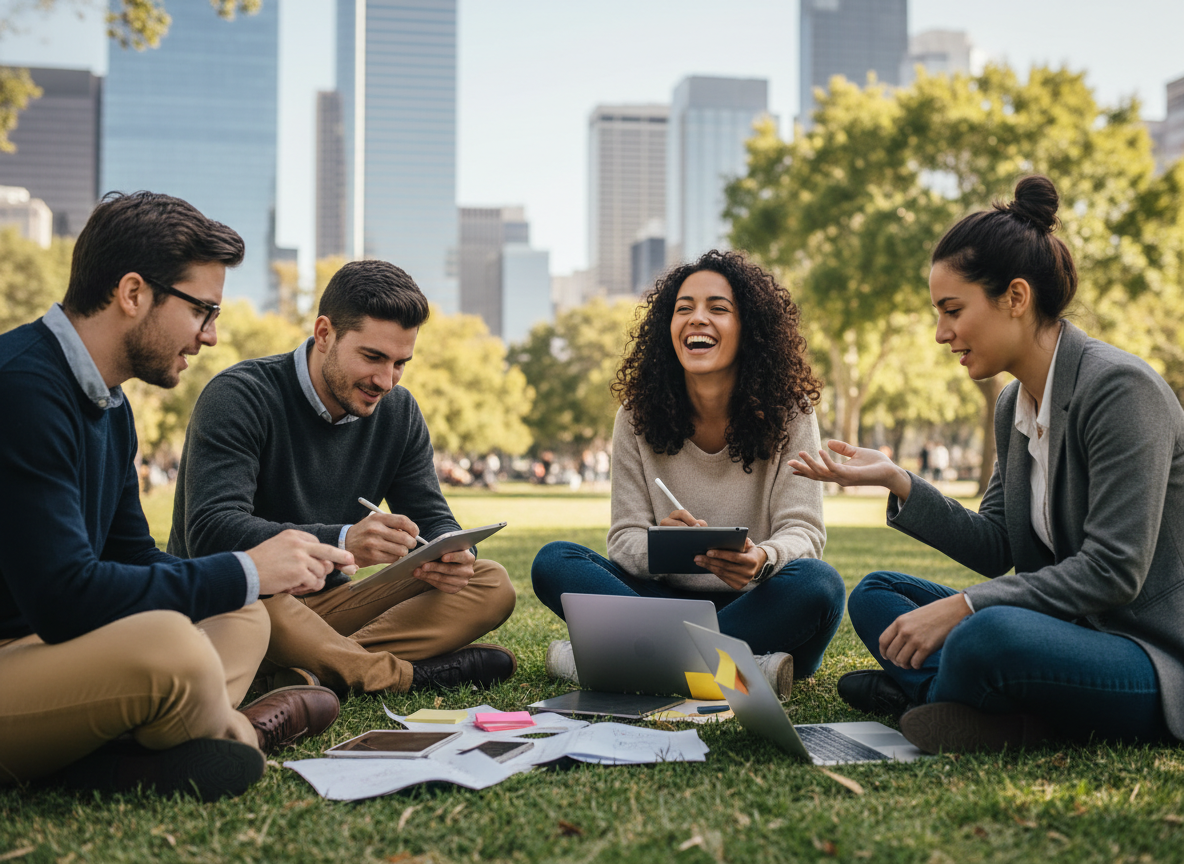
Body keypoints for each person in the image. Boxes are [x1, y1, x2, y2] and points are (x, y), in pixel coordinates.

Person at [790, 175, 1184, 753]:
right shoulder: (1013, 403)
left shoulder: (1120, 391)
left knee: (987, 633)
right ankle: (967, 704)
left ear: (1016, 298)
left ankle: (936, 696)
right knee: (878, 593)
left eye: (952, 310)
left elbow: (1113, 571)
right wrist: (897, 479)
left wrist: (968, 605)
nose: (940, 333)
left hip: (1149, 654)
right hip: (1061, 631)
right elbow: (997, 545)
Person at [0, 192, 351, 800]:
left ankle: (119, 755)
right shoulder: (21, 388)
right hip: (22, 653)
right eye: (201, 310)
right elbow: (63, 597)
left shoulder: (110, 406)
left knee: (243, 615)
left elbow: (132, 555)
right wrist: (245, 567)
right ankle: (239, 734)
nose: (210, 336)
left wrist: (252, 578)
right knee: (174, 649)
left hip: (52, 648)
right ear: (133, 294)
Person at [169, 260, 517, 695]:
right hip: (246, 603)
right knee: (262, 604)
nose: (385, 381)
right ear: (324, 334)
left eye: (400, 363)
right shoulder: (240, 395)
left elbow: (430, 514)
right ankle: (397, 676)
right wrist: (343, 540)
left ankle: (314, 669)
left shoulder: (398, 412)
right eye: (373, 357)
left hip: (333, 606)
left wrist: (452, 552)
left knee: (490, 583)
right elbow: (211, 532)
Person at [531, 250, 846, 697]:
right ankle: (736, 669)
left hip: (759, 604)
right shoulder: (635, 416)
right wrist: (664, 548)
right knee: (554, 561)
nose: (697, 318)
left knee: (820, 584)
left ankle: (621, 662)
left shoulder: (791, 414)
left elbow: (804, 532)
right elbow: (624, 538)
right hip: (662, 605)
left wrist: (761, 560)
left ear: (749, 328)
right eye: (684, 309)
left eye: (718, 308)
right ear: (668, 327)